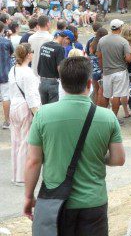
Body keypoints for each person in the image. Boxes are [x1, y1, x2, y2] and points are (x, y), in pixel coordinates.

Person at [23, 57, 125, 234]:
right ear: (89, 83)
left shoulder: (43, 115)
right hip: (93, 202)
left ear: (61, 84)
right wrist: (97, 155)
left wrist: (28, 195)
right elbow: (118, 159)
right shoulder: (107, 117)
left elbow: (33, 161)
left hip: (56, 203)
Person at [8, 43, 40, 185]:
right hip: (25, 107)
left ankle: (16, 175)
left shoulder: (13, 69)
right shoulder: (28, 73)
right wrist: (37, 113)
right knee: (25, 142)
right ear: (28, 54)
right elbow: (31, 96)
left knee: (15, 141)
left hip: (14, 105)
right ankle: (22, 177)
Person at [97, 19, 131, 119]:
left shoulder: (102, 40)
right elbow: (129, 59)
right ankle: (114, 117)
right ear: (120, 28)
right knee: (117, 95)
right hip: (120, 71)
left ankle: (103, 116)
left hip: (107, 71)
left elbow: (99, 56)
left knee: (106, 94)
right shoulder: (123, 41)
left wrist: (102, 68)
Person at [37, 30, 71, 104]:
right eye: (68, 42)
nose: (67, 44)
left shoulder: (44, 45)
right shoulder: (60, 48)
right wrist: (64, 81)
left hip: (42, 81)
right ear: (66, 38)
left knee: (44, 108)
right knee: (52, 108)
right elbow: (60, 67)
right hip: (53, 83)